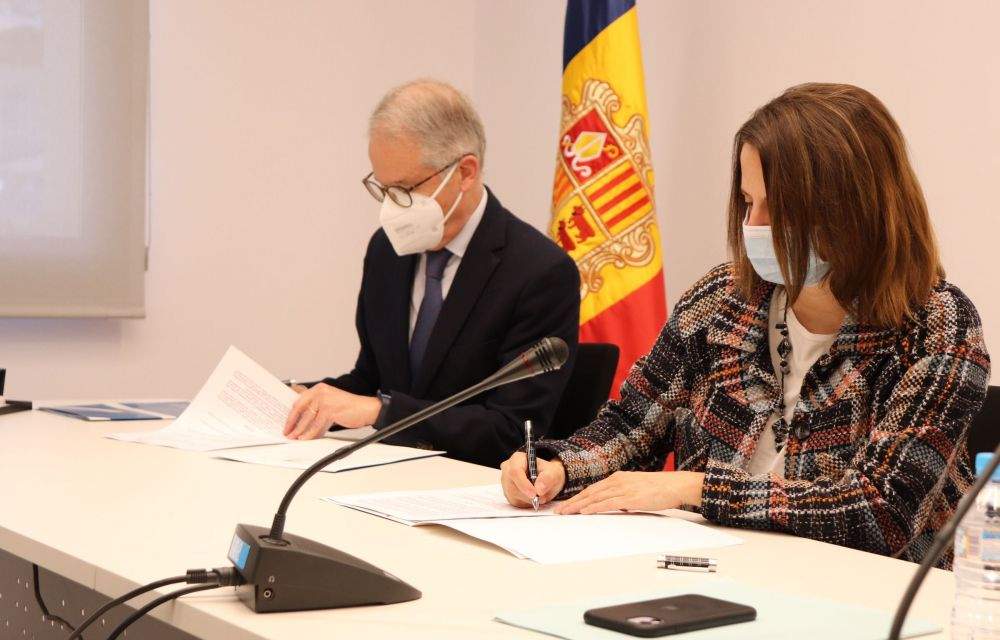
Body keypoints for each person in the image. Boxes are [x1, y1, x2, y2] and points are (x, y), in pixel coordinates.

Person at [500, 83, 990, 567]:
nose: (753, 226)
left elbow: (881, 513)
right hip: (714, 572)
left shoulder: (937, 325)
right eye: (748, 203)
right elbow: (634, 426)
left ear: (852, 208)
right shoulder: (721, 299)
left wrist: (698, 489)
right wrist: (559, 467)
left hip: (869, 592)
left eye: (779, 208)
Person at [283, 79, 580, 468]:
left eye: (404, 189)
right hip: (386, 473)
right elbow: (372, 380)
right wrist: (299, 398)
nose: (392, 208)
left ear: (465, 172)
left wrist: (382, 411)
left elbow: (510, 430)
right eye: (383, 189)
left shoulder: (540, 272)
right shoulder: (387, 250)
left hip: (474, 484)